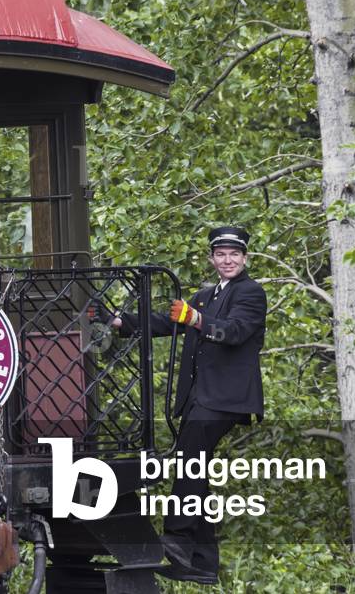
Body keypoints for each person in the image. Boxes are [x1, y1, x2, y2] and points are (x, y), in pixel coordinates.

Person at [102, 225, 266, 584]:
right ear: (212, 259)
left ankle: (177, 538)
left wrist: (195, 318)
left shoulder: (251, 293)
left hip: (225, 398)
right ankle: (202, 561)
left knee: (190, 461)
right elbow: (166, 323)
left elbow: (235, 332)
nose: (227, 260)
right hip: (199, 397)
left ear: (245, 258)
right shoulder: (205, 295)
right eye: (221, 255)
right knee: (198, 468)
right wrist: (120, 321)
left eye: (234, 254)